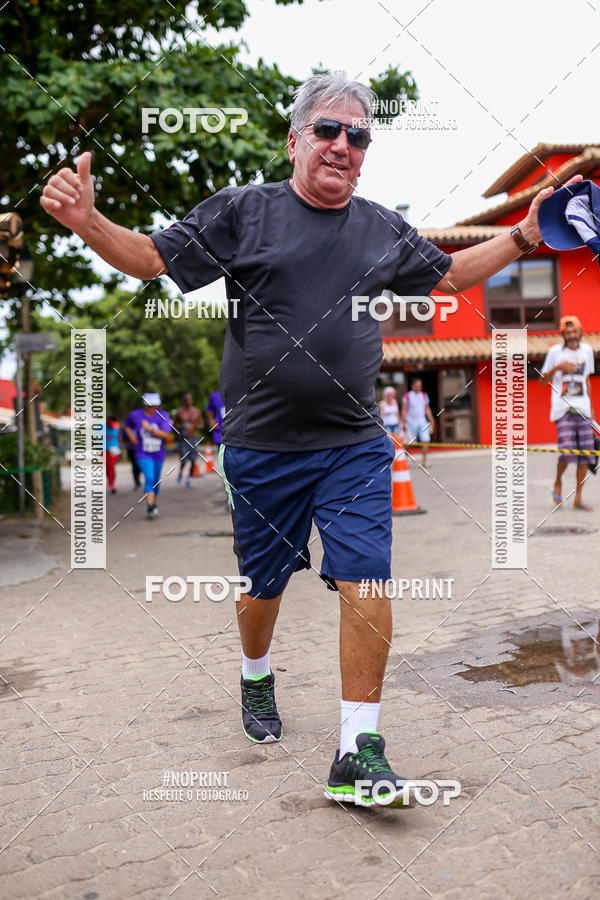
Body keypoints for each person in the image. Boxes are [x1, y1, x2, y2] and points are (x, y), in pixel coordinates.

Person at [40, 70, 583, 809]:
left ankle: (359, 749)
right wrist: (87, 224)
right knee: (263, 590)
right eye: (327, 130)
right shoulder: (243, 212)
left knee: (366, 578)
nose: (342, 145)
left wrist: (523, 234)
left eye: (357, 136)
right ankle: (256, 672)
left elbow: (452, 275)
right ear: (295, 140)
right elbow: (152, 258)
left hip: (354, 444)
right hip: (263, 449)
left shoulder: (379, 227)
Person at [540, 315, 596, 510]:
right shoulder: (555, 352)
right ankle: (558, 482)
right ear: (563, 334)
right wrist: (556, 368)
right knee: (566, 449)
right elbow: (541, 380)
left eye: (575, 332)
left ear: (580, 332)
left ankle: (578, 498)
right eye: (568, 332)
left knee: (586, 454)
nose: (572, 335)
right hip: (562, 408)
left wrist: (592, 411)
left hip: (583, 409)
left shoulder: (587, 350)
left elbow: (587, 380)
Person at [124, 393, 172, 519]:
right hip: (142, 452)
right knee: (149, 477)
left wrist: (149, 429)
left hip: (158, 453)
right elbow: (127, 426)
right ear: (145, 405)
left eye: (155, 405)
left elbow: (166, 435)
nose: (152, 408)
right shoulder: (135, 415)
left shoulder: (163, 415)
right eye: (149, 405)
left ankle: (153, 503)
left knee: (156, 481)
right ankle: (150, 507)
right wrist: (131, 437)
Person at [402, 378, 435, 466]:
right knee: (409, 442)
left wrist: (431, 420)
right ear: (412, 386)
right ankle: (404, 459)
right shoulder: (407, 396)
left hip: (422, 420)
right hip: (410, 421)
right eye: (417, 386)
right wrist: (404, 422)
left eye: (420, 386)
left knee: (425, 440)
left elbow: (427, 409)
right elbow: (404, 410)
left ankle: (424, 461)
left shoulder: (424, 395)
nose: (419, 388)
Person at [173, 393, 204, 487]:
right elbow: (174, 425)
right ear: (183, 401)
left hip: (193, 438)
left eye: (190, 400)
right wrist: (181, 427)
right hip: (183, 439)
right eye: (186, 400)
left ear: (192, 400)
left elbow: (201, 424)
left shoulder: (197, 411)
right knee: (184, 460)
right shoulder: (179, 412)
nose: (188, 402)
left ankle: (189, 479)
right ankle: (181, 472)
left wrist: (195, 425)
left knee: (194, 459)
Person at [121, 421, 141, 490]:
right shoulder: (127, 429)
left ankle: (139, 479)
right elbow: (123, 439)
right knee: (134, 465)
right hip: (131, 449)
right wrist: (131, 442)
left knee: (140, 465)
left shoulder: (139, 427)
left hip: (141, 449)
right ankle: (136, 482)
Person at [105, 414, 121, 494]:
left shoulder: (117, 426)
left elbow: (119, 437)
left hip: (115, 449)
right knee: (107, 467)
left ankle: (112, 484)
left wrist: (120, 445)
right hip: (104, 450)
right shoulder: (102, 427)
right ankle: (110, 482)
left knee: (111, 465)